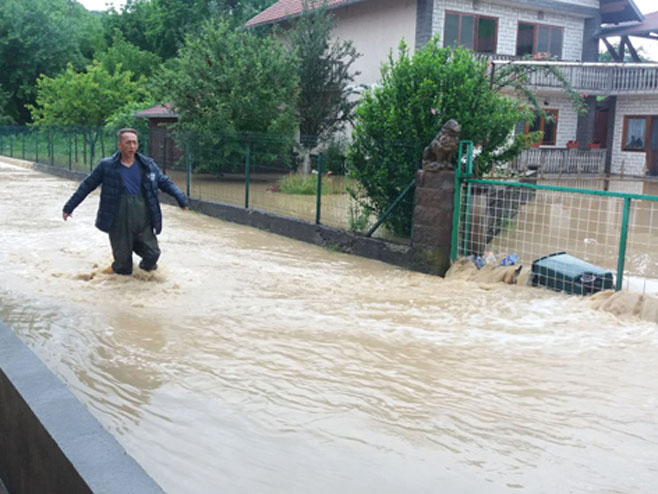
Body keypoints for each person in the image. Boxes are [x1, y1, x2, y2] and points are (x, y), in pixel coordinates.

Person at [62, 128, 189, 275]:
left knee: (153, 254)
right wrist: (69, 207)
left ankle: (144, 275)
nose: (132, 146)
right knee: (123, 267)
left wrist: (181, 198)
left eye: (134, 142)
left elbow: (165, 182)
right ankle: (122, 285)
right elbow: (87, 186)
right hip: (118, 220)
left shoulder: (147, 165)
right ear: (119, 145)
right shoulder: (107, 166)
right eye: (128, 143)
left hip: (143, 218)